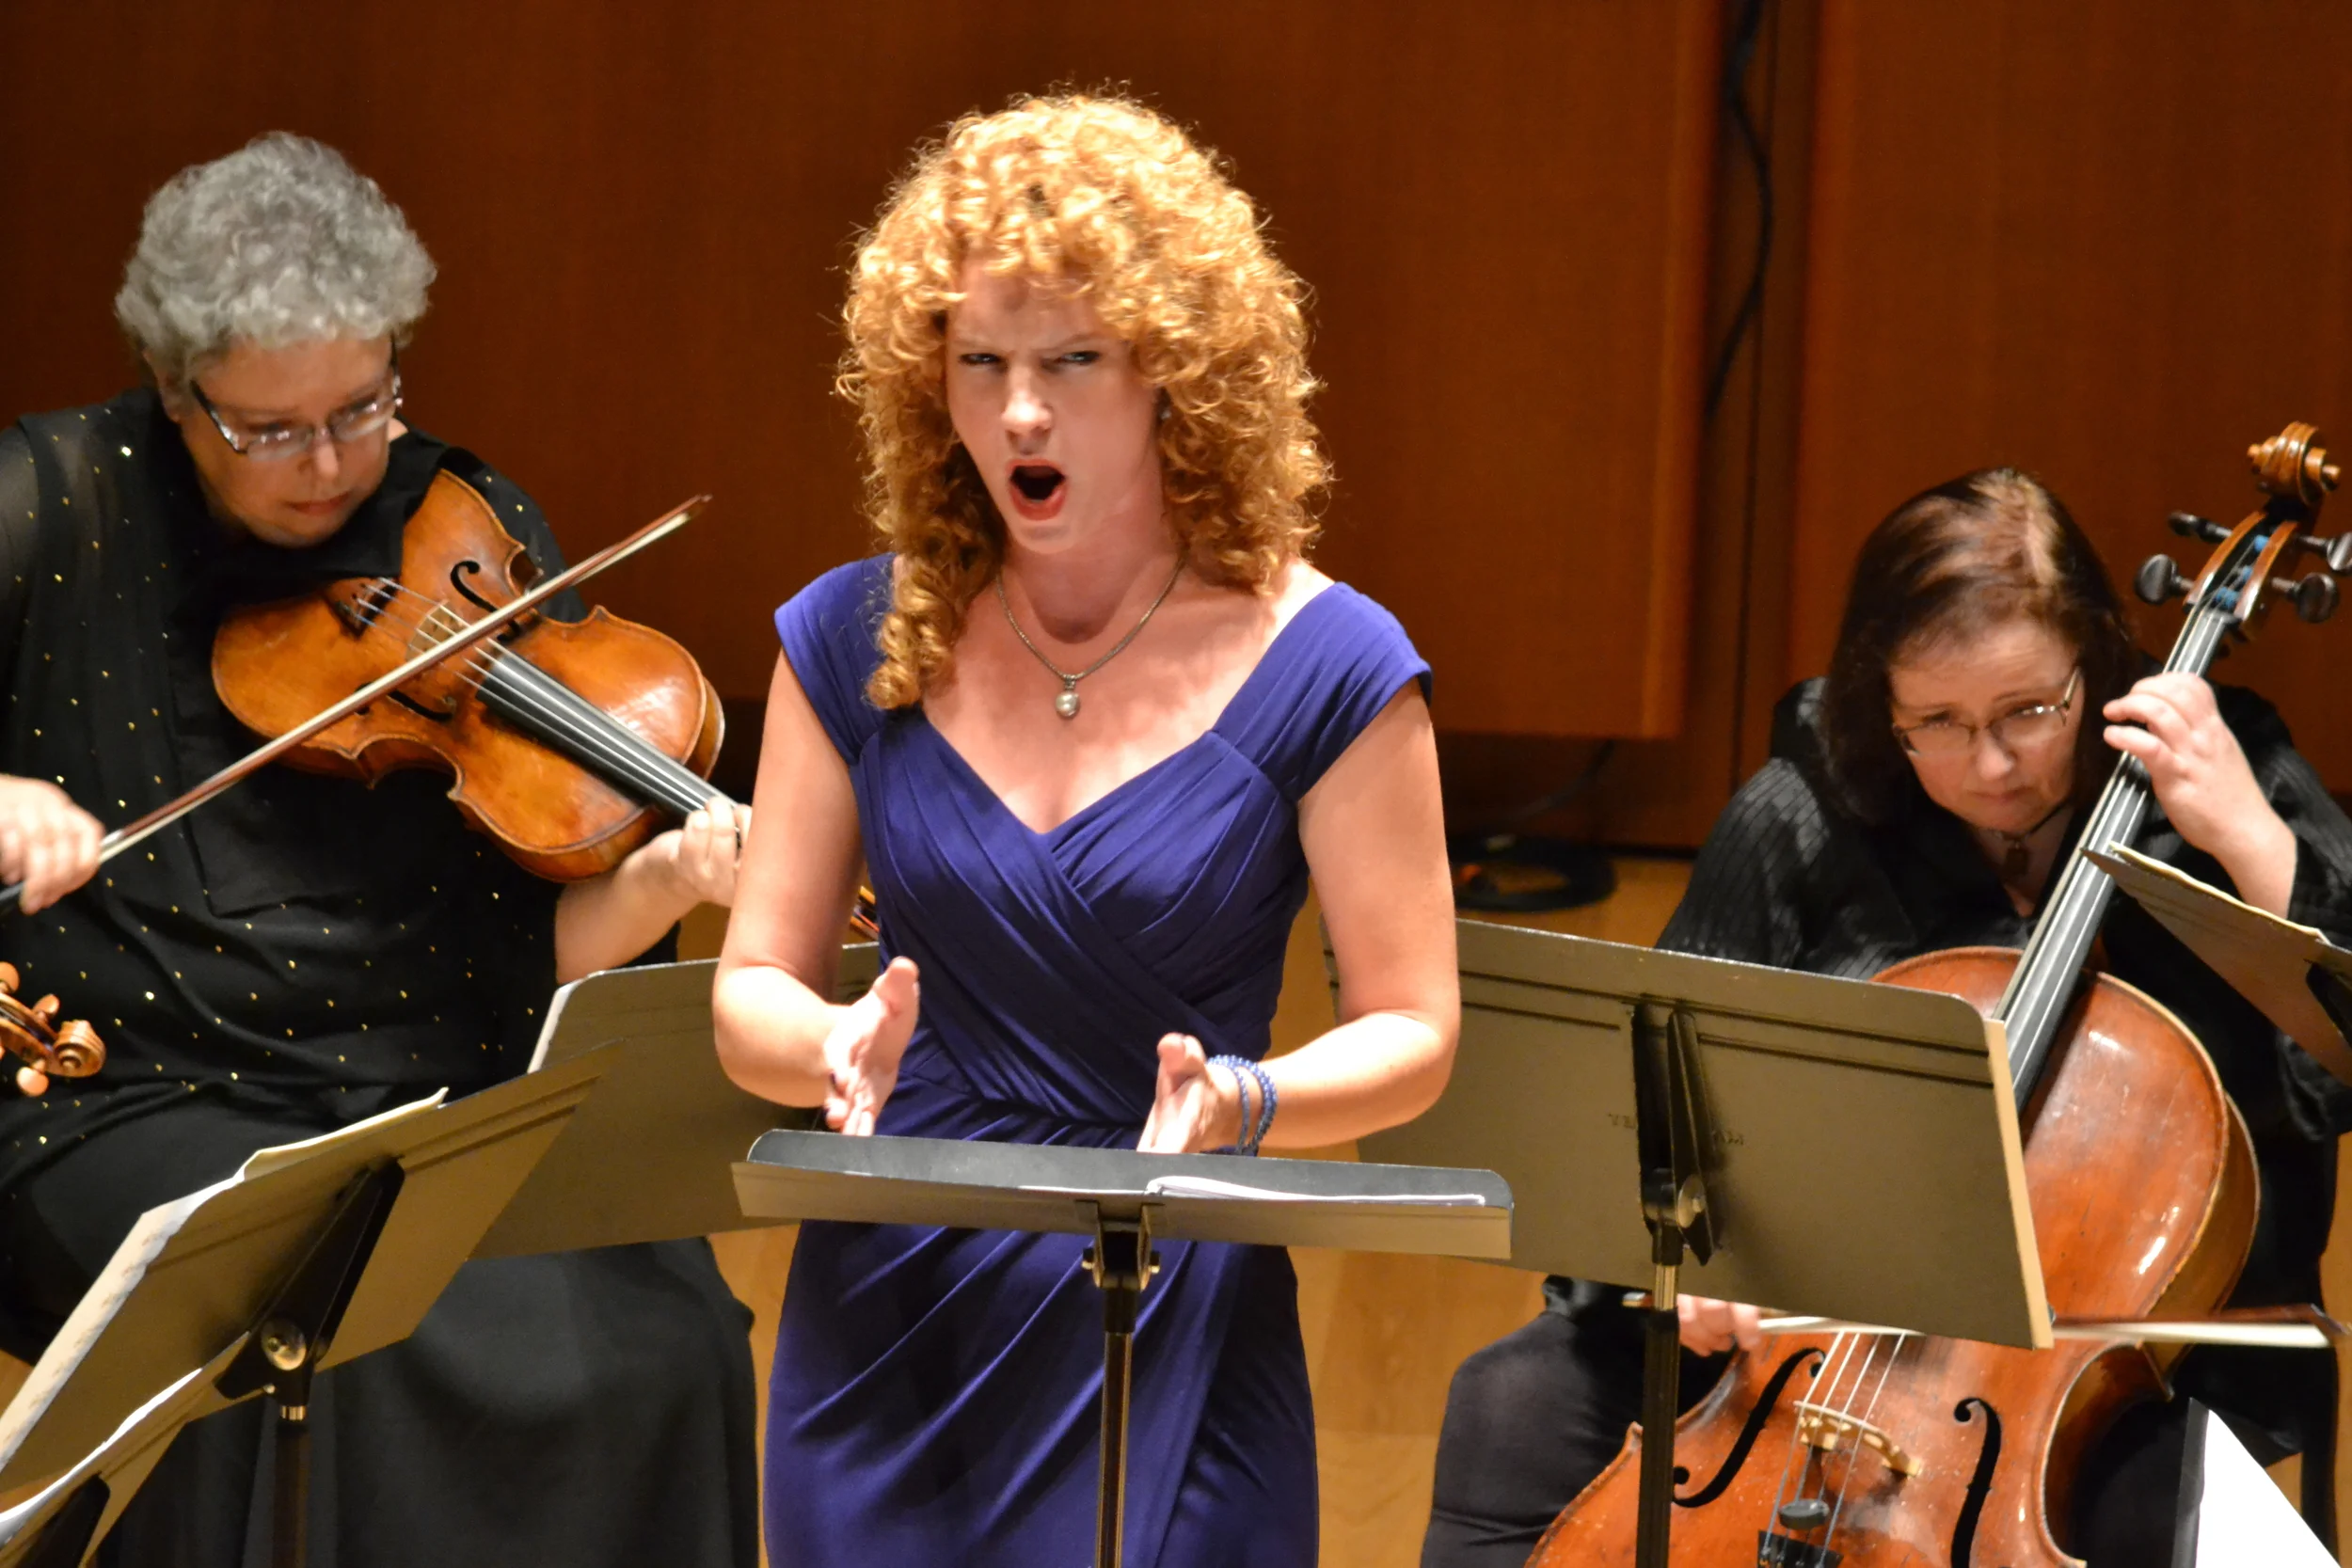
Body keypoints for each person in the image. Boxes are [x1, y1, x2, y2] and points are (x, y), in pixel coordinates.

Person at [711, 95, 1459, 1566]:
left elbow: (1416, 1030)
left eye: (1071, 361)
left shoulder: (1335, 665)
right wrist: (825, 1048)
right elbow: (750, 994)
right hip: (889, 1313)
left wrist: (1245, 1099)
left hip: (1173, 1278)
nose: (1020, 413)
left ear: (1176, 373)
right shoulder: (851, 636)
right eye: (978, 363)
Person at [0, 133, 760, 1566]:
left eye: (363, 405)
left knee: (671, 1334)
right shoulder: (51, 508)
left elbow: (516, 958)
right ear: (175, 392)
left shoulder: (461, 524)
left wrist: (656, 878)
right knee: (308, 1337)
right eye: (269, 430)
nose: (335, 464)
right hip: (134, 1086)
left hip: (438, 1082)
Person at [1422, 468, 2352, 1565]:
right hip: (1798, 1345)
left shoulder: (2220, 776)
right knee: (1510, 1405)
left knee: (2176, 1532)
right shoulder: (1808, 812)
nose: (1992, 764)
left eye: (2028, 712)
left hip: (2107, 1372)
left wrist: (2253, 843)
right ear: (1880, 699)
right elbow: (1648, 1105)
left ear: (2094, 661)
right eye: (1939, 724)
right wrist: (1697, 1271)